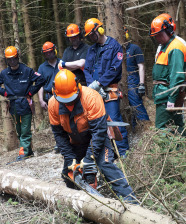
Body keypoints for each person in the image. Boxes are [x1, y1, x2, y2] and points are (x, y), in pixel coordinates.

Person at [48, 69, 136, 202]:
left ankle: (131, 202)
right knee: (69, 174)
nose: (68, 104)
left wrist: (89, 158)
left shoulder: (91, 97)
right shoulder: (53, 104)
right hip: (75, 142)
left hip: (96, 138)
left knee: (106, 165)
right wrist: (70, 157)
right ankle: (76, 205)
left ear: (77, 87)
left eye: (71, 100)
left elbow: (99, 132)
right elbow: (59, 135)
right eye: (65, 101)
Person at [83, 18, 129, 158]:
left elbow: (115, 69)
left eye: (92, 34)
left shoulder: (114, 46)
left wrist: (100, 84)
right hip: (95, 91)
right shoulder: (92, 49)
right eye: (89, 36)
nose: (91, 38)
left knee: (114, 120)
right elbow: (87, 69)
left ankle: (122, 152)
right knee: (98, 122)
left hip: (110, 90)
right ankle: (107, 152)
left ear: (100, 30)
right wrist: (93, 86)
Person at [0, 46, 45, 161]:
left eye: (14, 58)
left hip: (25, 103)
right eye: (9, 59)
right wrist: (5, 93)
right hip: (13, 104)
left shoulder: (27, 70)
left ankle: (24, 152)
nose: (12, 61)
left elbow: (41, 79)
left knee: (25, 129)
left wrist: (31, 91)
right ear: (7, 60)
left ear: (17, 57)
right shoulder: (4, 73)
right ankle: (28, 150)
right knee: (19, 130)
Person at [149, 13, 186, 134]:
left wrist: (171, 99)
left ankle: (166, 152)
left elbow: (177, 75)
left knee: (162, 129)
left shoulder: (175, 47)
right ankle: (179, 151)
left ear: (169, 30)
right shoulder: (165, 46)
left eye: (159, 35)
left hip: (167, 95)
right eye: (155, 36)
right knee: (178, 126)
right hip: (164, 94)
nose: (157, 38)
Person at [124, 27, 149, 128]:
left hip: (133, 80)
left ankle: (147, 127)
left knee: (137, 105)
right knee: (128, 108)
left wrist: (141, 84)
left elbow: (141, 66)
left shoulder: (134, 48)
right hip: (122, 80)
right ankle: (134, 129)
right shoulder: (117, 49)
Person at [38, 41, 60, 110]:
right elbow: (40, 85)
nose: (48, 54)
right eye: (46, 53)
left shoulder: (62, 63)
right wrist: (41, 100)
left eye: (50, 52)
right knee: (53, 120)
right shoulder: (42, 68)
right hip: (50, 97)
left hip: (64, 94)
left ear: (54, 51)